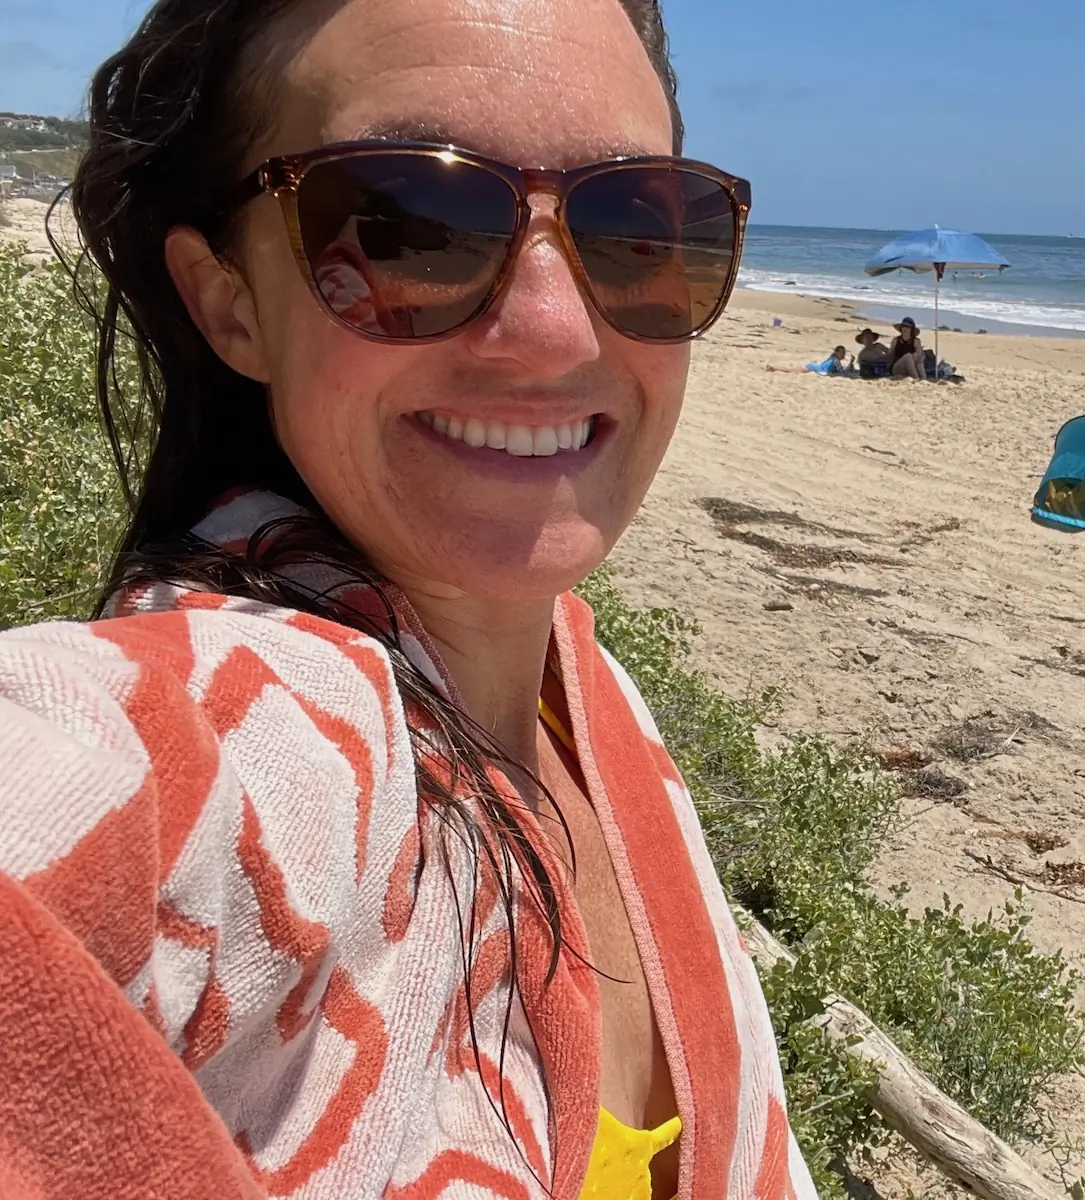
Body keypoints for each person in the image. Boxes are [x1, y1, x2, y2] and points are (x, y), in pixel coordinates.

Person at [0, 3, 816, 1200]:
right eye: (405, 226)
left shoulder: (586, 700)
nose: (549, 332)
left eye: (640, 229)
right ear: (228, 302)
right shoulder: (242, 739)